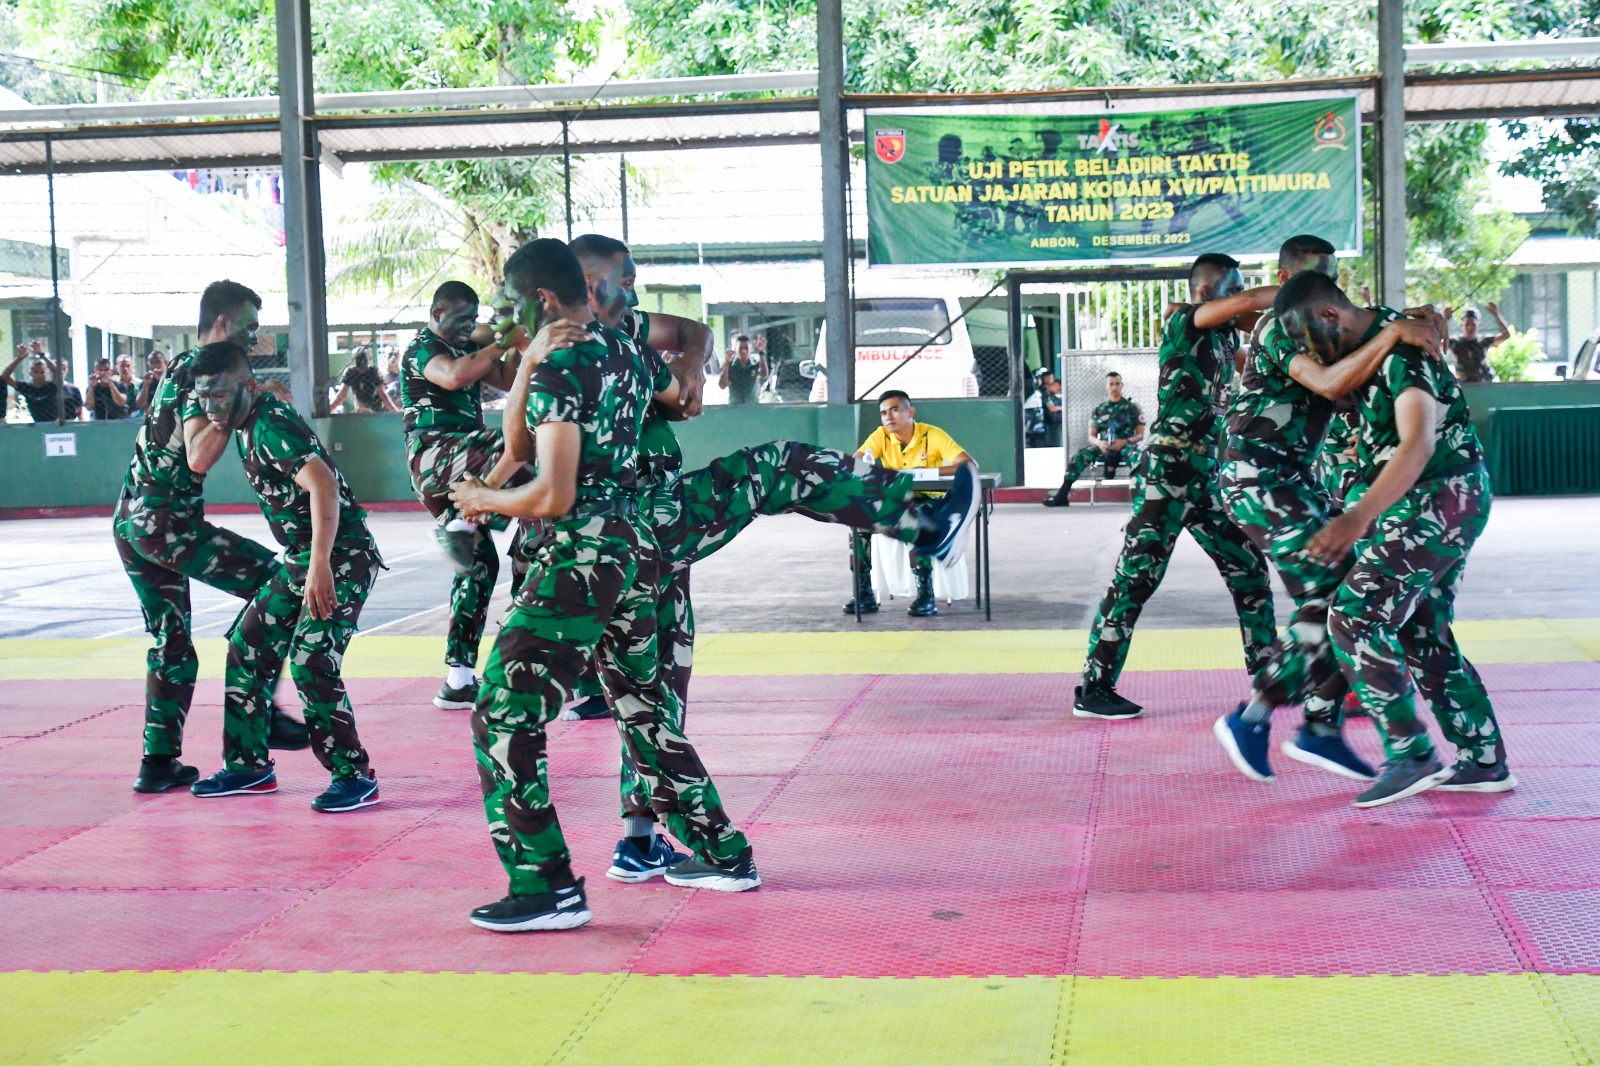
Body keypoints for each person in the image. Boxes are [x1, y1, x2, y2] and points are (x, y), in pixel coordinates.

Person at [487, 233, 977, 884]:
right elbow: (530, 453)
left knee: (653, 699)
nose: (630, 292)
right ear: (579, 284)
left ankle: (646, 840)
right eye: (619, 280)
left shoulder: (619, 338)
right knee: (773, 469)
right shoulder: (557, 348)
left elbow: (687, 341)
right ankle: (920, 519)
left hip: (636, 531)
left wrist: (688, 375)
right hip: (620, 528)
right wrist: (490, 493)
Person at [445, 238, 757, 932]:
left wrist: (488, 501)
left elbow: (551, 492)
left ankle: (545, 885)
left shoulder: (564, 364)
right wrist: (527, 363)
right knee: (645, 713)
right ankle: (722, 854)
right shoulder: (627, 350)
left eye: (509, 303)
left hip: (583, 557)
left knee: (501, 710)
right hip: (640, 556)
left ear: (545, 300)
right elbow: (526, 444)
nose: (501, 316)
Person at [1212, 235, 1448, 783]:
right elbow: (1331, 382)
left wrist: (1419, 321)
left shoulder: (1326, 323)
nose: (1332, 290)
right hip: (1257, 475)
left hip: (1292, 476)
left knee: (1345, 594)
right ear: (1291, 277)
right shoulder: (1281, 325)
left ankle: (1319, 725)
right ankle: (1257, 718)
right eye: (1322, 275)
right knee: (1340, 595)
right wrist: (1392, 331)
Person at [1275, 271, 1513, 807]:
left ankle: (1412, 753)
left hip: (1438, 499)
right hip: (1420, 506)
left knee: (1355, 614)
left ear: (1331, 315)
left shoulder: (1405, 351)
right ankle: (1483, 759)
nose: (1314, 356)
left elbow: (1418, 443)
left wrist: (1356, 518)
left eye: (1311, 340)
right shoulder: (1374, 345)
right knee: (1421, 629)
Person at [113, 281, 309, 795]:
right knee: (279, 581)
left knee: (171, 642)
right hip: (165, 522)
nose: (255, 336)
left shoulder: (181, 369)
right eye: (248, 327)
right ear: (221, 323)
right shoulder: (202, 372)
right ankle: (259, 712)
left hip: (132, 521)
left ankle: (158, 763)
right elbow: (199, 454)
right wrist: (236, 404)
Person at [1074, 253, 1276, 720]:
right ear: (1206, 293)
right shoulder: (1187, 320)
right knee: (1137, 577)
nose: (1239, 300)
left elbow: (1255, 327)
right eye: (1232, 290)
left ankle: (1269, 672)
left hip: (1206, 475)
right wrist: (1300, 291)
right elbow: (1252, 303)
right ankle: (1094, 688)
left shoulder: (1228, 340)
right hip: (1167, 469)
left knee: (1248, 567)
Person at [184, 342, 384, 810]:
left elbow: (324, 485)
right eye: (202, 397)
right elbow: (263, 395)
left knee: (312, 660)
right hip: (301, 555)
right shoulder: (246, 414)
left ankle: (354, 776)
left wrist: (319, 567)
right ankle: (247, 767)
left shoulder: (270, 427)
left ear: (246, 388)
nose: (210, 406)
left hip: (343, 556)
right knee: (246, 646)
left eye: (218, 394)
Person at [399, 281, 528, 712]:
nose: (467, 328)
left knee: (479, 563)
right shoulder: (422, 347)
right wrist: (494, 344)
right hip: (435, 454)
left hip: (463, 463)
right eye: (459, 320)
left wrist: (513, 343)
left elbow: (510, 380)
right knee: (518, 442)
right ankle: (465, 521)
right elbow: (453, 377)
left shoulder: (467, 349)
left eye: (473, 320)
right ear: (436, 313)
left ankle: (457, 679)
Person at [848, 390, 974, 617]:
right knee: (859, 522)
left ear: (910, 412)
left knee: (915, 519)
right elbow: (854, 464)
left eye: (895, 410)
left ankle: (926, 595)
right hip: (894, 500)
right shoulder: (880, 436)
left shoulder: (932, 435)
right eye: (884, 413)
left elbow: (969, 464)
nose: (889, 417)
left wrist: (928, 471)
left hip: (926, 499)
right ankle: (863, 593)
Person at [1043, 371, 1144, 506]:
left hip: (1125, 446)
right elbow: (1091, 436)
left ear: (1122, 385)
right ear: (1106, 386)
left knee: (1137, 458)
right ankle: (1062, 496)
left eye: (1117, 384)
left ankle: (1140, 498)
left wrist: (1124, 442)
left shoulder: (1132, 408)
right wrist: (1100, 443)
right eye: (1111, 384)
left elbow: (1140, 435)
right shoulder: (1099, 409)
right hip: (1103, 447)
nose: (1114, 387)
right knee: (1079, 456)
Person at [4, 343, 84, 422]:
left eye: (42, 372)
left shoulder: (51, 386)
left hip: (54, 424)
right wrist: (18, 358)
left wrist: (41, 355)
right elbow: (5, 377)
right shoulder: (26, 387)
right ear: (31, 373)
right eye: (36, 372)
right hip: (38, 424)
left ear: (46, 374)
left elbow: (57, 372)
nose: (39, 375)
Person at [1444, 304, 1509, 384]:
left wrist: (1496, 315)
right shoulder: (1455, 342)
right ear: (1462, 325)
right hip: (1463, 384)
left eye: (1473, 325)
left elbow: (1506, 335)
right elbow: (1436, 341)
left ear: (1479, 325)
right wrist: (1445, 319)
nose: (1470, 328)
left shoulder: (1484, 341)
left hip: (1483, 382)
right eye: (1467, 324)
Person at [332, 346, 400, 413]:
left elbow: (382, 395)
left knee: (394, 386)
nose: (362, 370)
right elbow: (342, 395)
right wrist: (329, 410)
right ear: (353, 360)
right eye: (359, 366)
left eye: (364, 366)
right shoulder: (350, 372)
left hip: (375, 407)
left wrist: (396, 413)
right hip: (360, 408)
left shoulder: (373, 371)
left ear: (370, 359)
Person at [718, 334, 767, 405]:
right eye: (740, 348)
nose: (743, 351)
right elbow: (722, 385)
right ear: (735, 349)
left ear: (751, 349)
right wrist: (727, 363)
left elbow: (764, 374)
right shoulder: (729, 365)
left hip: (752, 405)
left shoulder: (755, 363)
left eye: (746, 348)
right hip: (735, 406)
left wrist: (761, 352)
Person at [1023, 366, 1063, 449]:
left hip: (1038, 417)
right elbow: (1051, 408)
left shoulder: (1042, 390)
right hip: (1029, 414)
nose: (1051, 379)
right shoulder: (1036, 389)